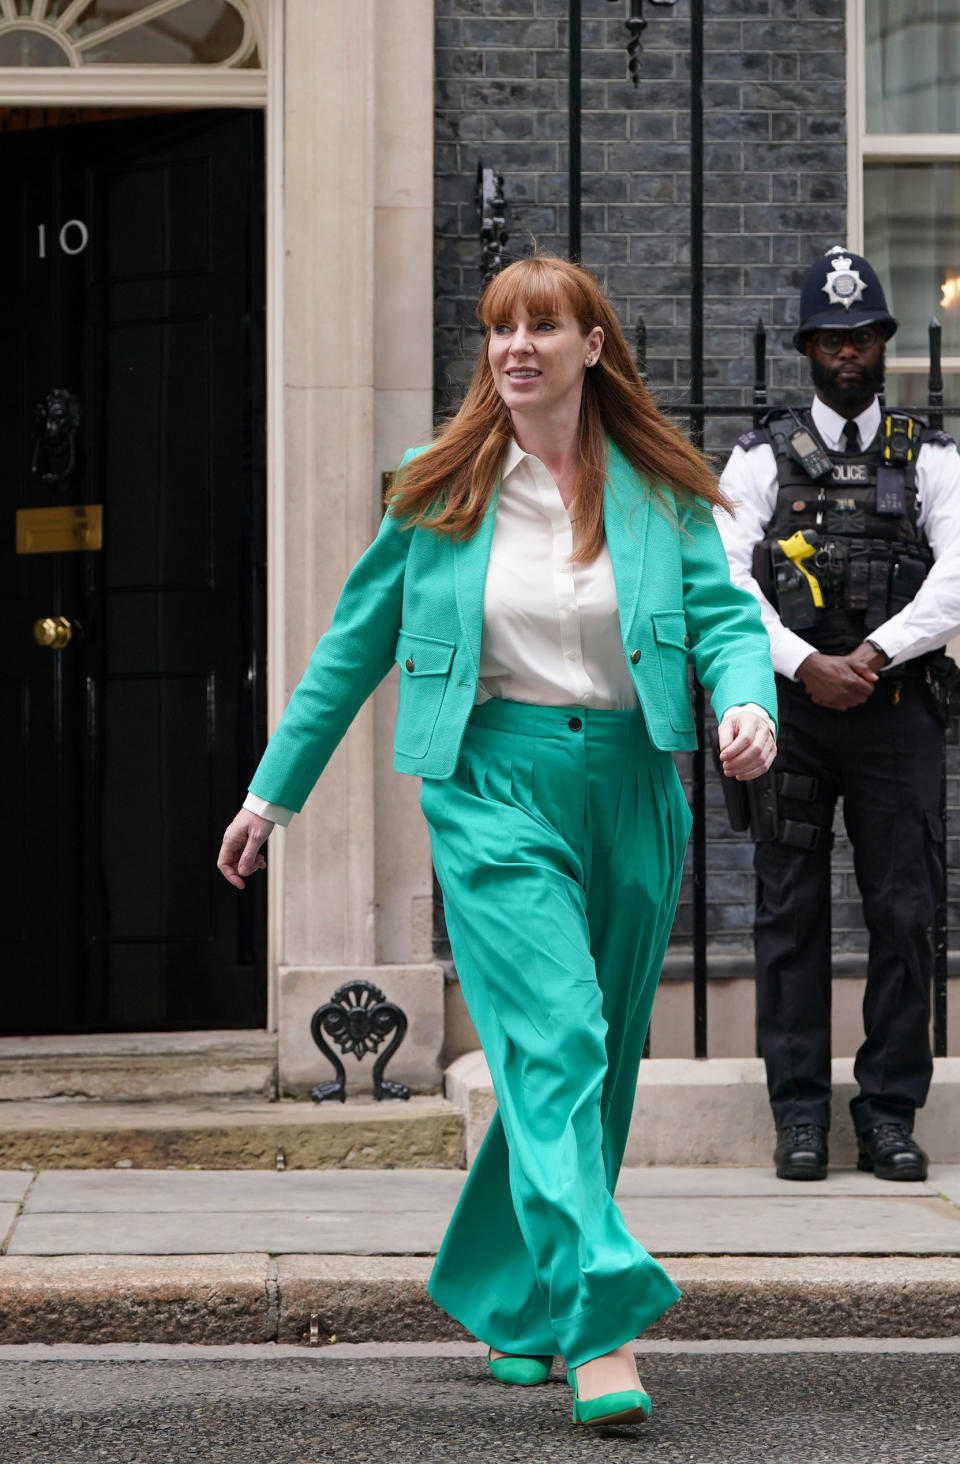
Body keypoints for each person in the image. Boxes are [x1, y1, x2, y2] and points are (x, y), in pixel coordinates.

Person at [218, 255, 776, 1427]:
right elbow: (349, 652)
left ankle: (512, 1303)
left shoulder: (661, 489)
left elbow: (724, 618)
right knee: (559, 1034)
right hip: (491, 782)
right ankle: (602, 1320)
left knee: (592, 1066)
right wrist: (271, 797)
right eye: (498, 330)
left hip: (633, 782)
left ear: (590, 347)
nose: (516, 346)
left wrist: (745, 702)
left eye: (542, 327)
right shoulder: (437, 495)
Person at [717, 246, 960, 1184]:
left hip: (898, 710)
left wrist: (871, 654)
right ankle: (801, 1116)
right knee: (788, 913)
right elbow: (726, 578)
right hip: (795, 712)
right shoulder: (758, 458)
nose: (847, 354)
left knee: (905, 915)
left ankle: (891, 1112)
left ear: (884, 343)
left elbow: (955, 578)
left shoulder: (932, 457)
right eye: (830, 340)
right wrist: (805, 663)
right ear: (808, 349)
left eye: (861, 338)